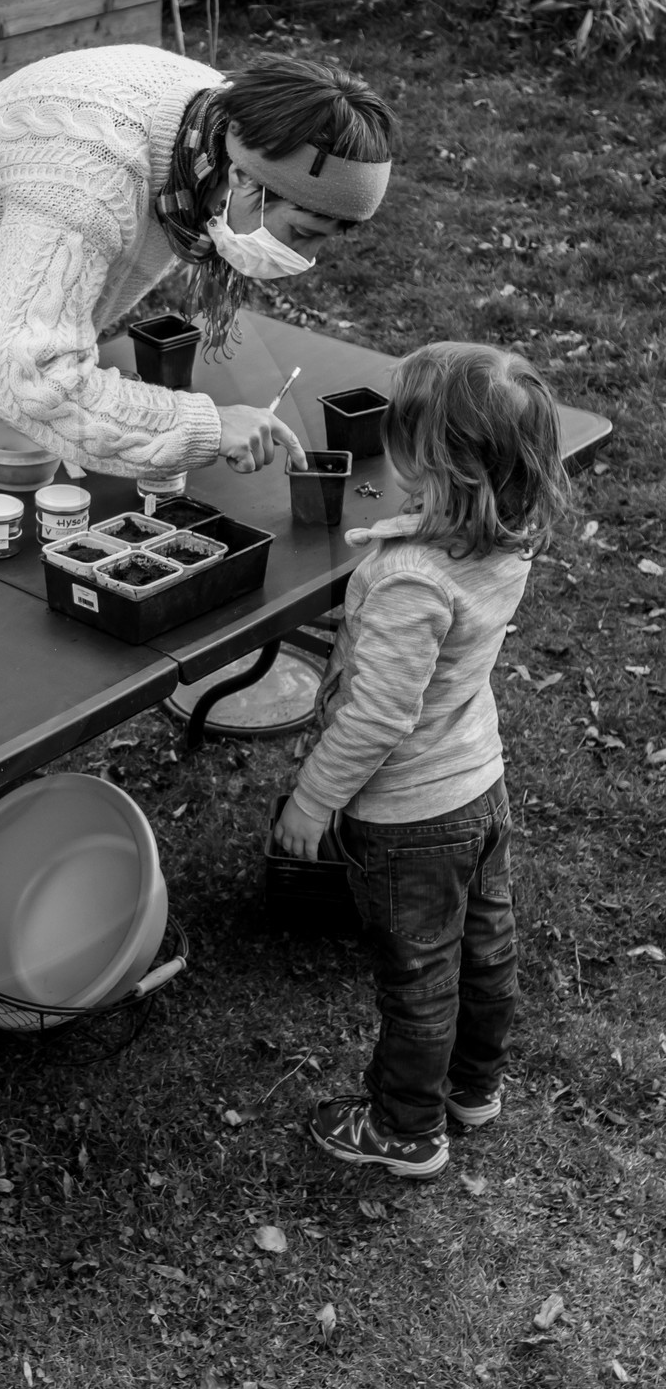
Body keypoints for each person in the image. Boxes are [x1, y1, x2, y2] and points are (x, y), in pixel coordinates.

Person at [0, 45, 395, 478]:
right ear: (244, 177)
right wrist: (203, 426)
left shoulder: (219, 124)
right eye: (302, 232)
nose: (304, 258)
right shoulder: (92, 176)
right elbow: (29, 377)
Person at [273, 342, 569, 1179]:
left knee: (420, 977)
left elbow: (376, 717)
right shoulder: (506, 538)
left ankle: (406, 1128)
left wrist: (313, 797)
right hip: (479, 782)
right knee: (486, 947)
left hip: (409, 818)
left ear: (435, 463)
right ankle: (475, 1087)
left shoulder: (409, 579)